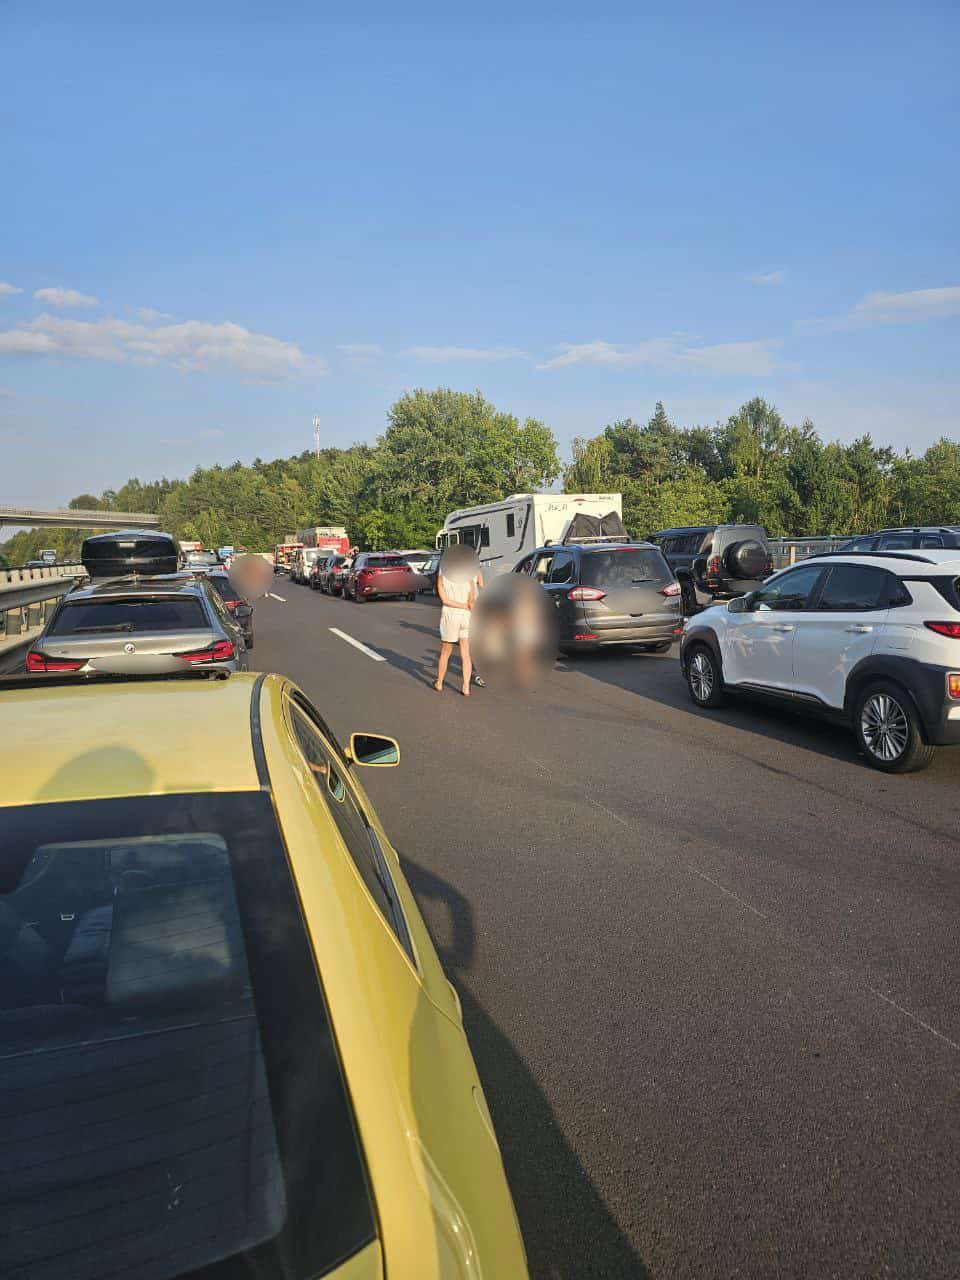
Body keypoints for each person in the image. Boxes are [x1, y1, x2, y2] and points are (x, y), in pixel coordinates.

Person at [434, 565, 475, 696]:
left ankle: (439, 682)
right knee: (466, 654)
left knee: (445, 652)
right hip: (467, 617)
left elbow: (444, 600)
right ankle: (466, 686)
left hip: (450, 615)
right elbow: (471, 601)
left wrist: (461, 605)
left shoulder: (443, 575)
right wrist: (466, 606)